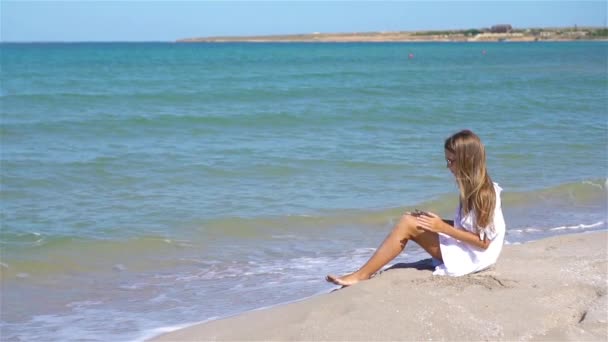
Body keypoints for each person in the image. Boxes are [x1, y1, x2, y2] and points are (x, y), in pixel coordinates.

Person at [326, 129, 506, 286]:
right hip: (470, 250)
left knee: (407, 223)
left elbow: (483, 243)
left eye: (451, 161)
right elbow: (470, 227)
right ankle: (361, 273)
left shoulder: (483, 194)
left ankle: (360, 275)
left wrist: (441, 227)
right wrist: (432, 221)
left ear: (467, 161)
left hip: (474, 258)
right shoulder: (471, 187)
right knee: (412, 220)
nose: (448, 166)